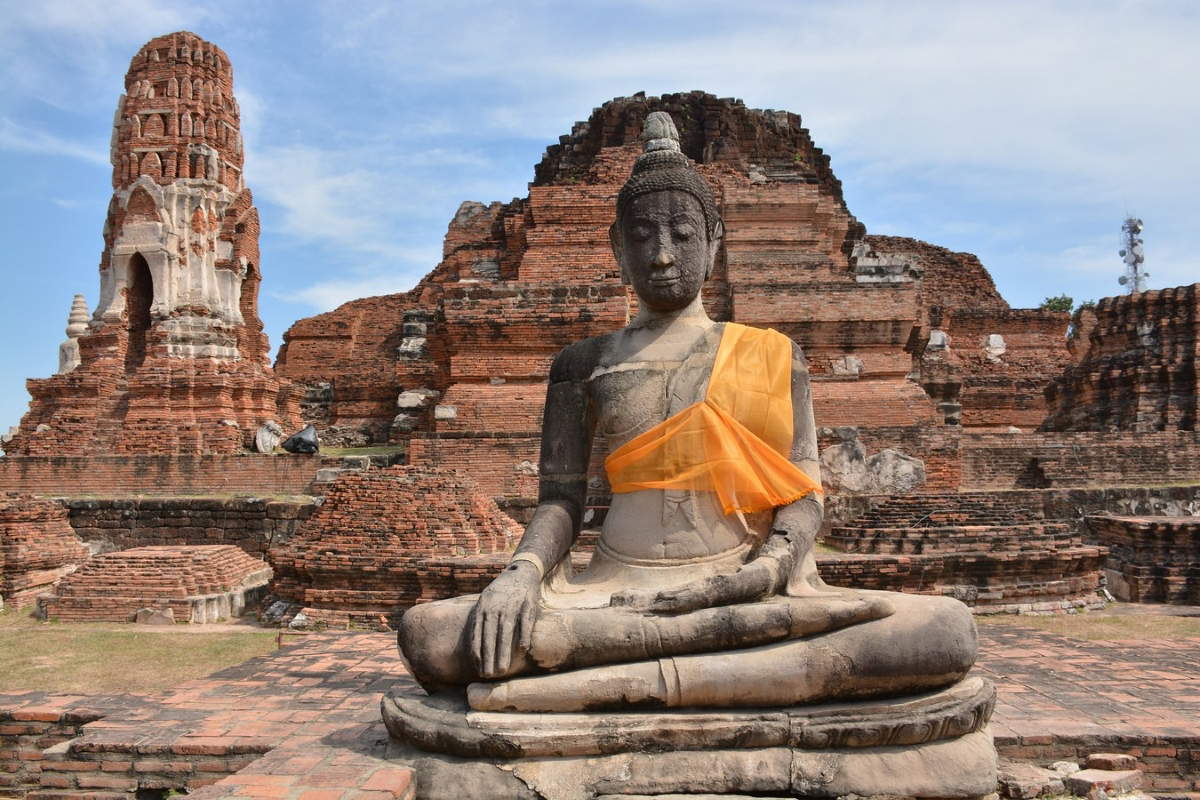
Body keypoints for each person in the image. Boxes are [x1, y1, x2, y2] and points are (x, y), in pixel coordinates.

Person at [399, 112, 976, 713]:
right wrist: (519, 575)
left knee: (943, 632)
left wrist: (770, 569)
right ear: (619, 246)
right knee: (432, 636)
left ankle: (605, 686)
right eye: (644, 235)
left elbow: (804, 494)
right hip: (616, 589)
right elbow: (560, 502)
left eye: (682, 232)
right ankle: (722, 677)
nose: (663, 254)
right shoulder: (582, 363)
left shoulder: (776, 354)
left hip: (746, 586)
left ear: (716, 239)